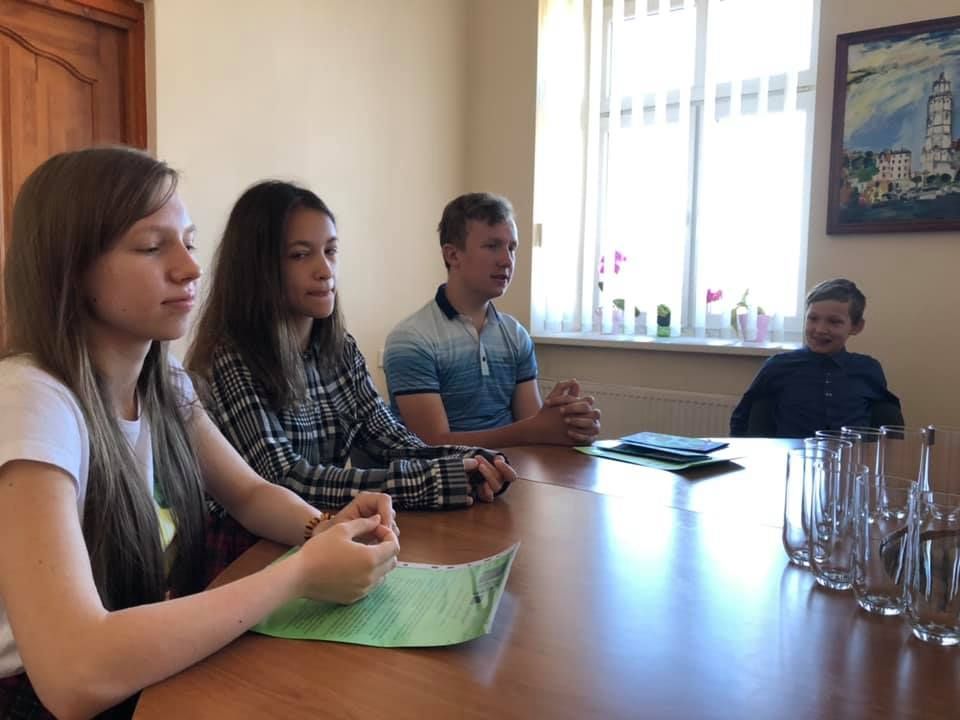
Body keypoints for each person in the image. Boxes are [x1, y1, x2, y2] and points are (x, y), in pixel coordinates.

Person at [0, 147, 400, 719]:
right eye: (151, 247)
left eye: (188, 243)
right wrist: (299, 574)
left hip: (138, 662)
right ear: (70, 267)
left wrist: (323, 527)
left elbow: (249, 493)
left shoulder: (165, 381)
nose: (190, 269)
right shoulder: (30, 398)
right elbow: (73, 674)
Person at [186, 182, 515, 568]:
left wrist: (473, 461)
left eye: (330, 251)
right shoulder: (231, 356)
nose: (325, 270)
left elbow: (391, 440)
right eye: (300, 255)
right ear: (257, 267)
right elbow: (285, 479)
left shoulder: (338, 348)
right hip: (247, 552)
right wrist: (432, 481)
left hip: (323, 532)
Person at [383, 192, 601, 447]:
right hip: (449, 472)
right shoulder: (411, 340)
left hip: (515, 466)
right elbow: (433, 445)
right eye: (492, 246)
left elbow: (534, 431)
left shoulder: (515, 335)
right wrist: (536, 429)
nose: (507, 260)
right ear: (453, 255)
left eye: (512, 248)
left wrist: (567, 426)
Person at [729, 278, 901, 438]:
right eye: (813, 319)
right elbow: (742, 420)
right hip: (795, 457)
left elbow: (889, 423)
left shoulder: (868, 369)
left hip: (851, 457)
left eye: (834, 322)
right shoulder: (778, 366)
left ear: (856, 327)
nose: (819, 329)